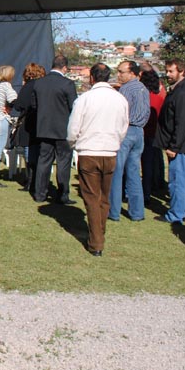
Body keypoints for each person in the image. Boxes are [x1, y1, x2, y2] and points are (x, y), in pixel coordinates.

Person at [67, 62, 128, 256]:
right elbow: (123, 127)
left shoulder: (85, 99)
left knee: (92, 198)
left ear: (92, 78)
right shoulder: (120, 99)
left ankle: (96, 241)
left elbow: (73, 128)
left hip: (89, 151)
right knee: (103, 197)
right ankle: (99, 233)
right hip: (110, 152)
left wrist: (73, 144)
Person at [27, 54, 78, 204]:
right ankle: (62, 195)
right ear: (64, 67)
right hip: (63, 129)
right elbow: (73, 107)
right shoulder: (67, 84)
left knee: (44, 161)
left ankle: (40, 193)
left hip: (44, 128)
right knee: (63, 162)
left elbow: (34, 105)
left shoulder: (39, 83)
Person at [155, 58, 185, 225]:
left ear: (181, 71)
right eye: (166, 71)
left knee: (177, 181)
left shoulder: (184, 93)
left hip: (180, 145)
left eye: (171, 71)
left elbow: (183, 122)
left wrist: (174, 146)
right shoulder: (180, 90)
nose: (167, 74)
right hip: (184, 143)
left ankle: (176, 214)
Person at [108, 60, 150, 221]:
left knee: (117, 171)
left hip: (126, 130)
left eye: (121, 72)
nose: (119, 75)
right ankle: (137, 212)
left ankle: (114, 210)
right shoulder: (143, 89)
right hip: (139, 132)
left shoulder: (125, 89)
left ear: (132, 73)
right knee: (133, 172)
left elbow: (119, 113)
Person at [10, 63, 46, 194]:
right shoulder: (45, 85)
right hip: (44, 123)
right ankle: (39, 181)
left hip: (29, 123)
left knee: (29, 152)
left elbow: (19, 106)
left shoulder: (28, 86)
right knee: (40, 153)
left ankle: (30, 181)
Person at [139, 67, 166, 200]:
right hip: (155, 133)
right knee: (152, 163)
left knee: (139, 164)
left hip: (143, 132)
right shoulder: (159, 97)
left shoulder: (143, 97)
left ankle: (143, 191)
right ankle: (151, 189)